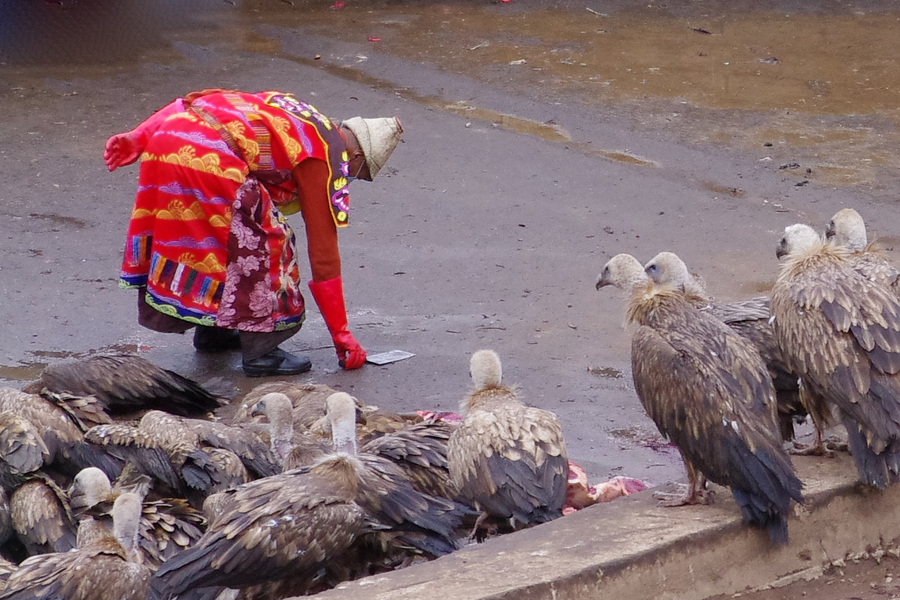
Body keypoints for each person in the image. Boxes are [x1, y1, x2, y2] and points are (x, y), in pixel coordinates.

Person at [104, 89, 402, 377]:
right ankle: (262, 348)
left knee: (211, 241)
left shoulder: (295, 111)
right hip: (209, 156)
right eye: (357, 173)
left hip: (167, 141)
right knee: (266, 242)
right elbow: (323, 250)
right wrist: (342, 334)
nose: (349, 179)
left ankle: (215, 331)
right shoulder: (325, 156)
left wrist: (140, 137)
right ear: (355, 154)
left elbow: (195, 101)